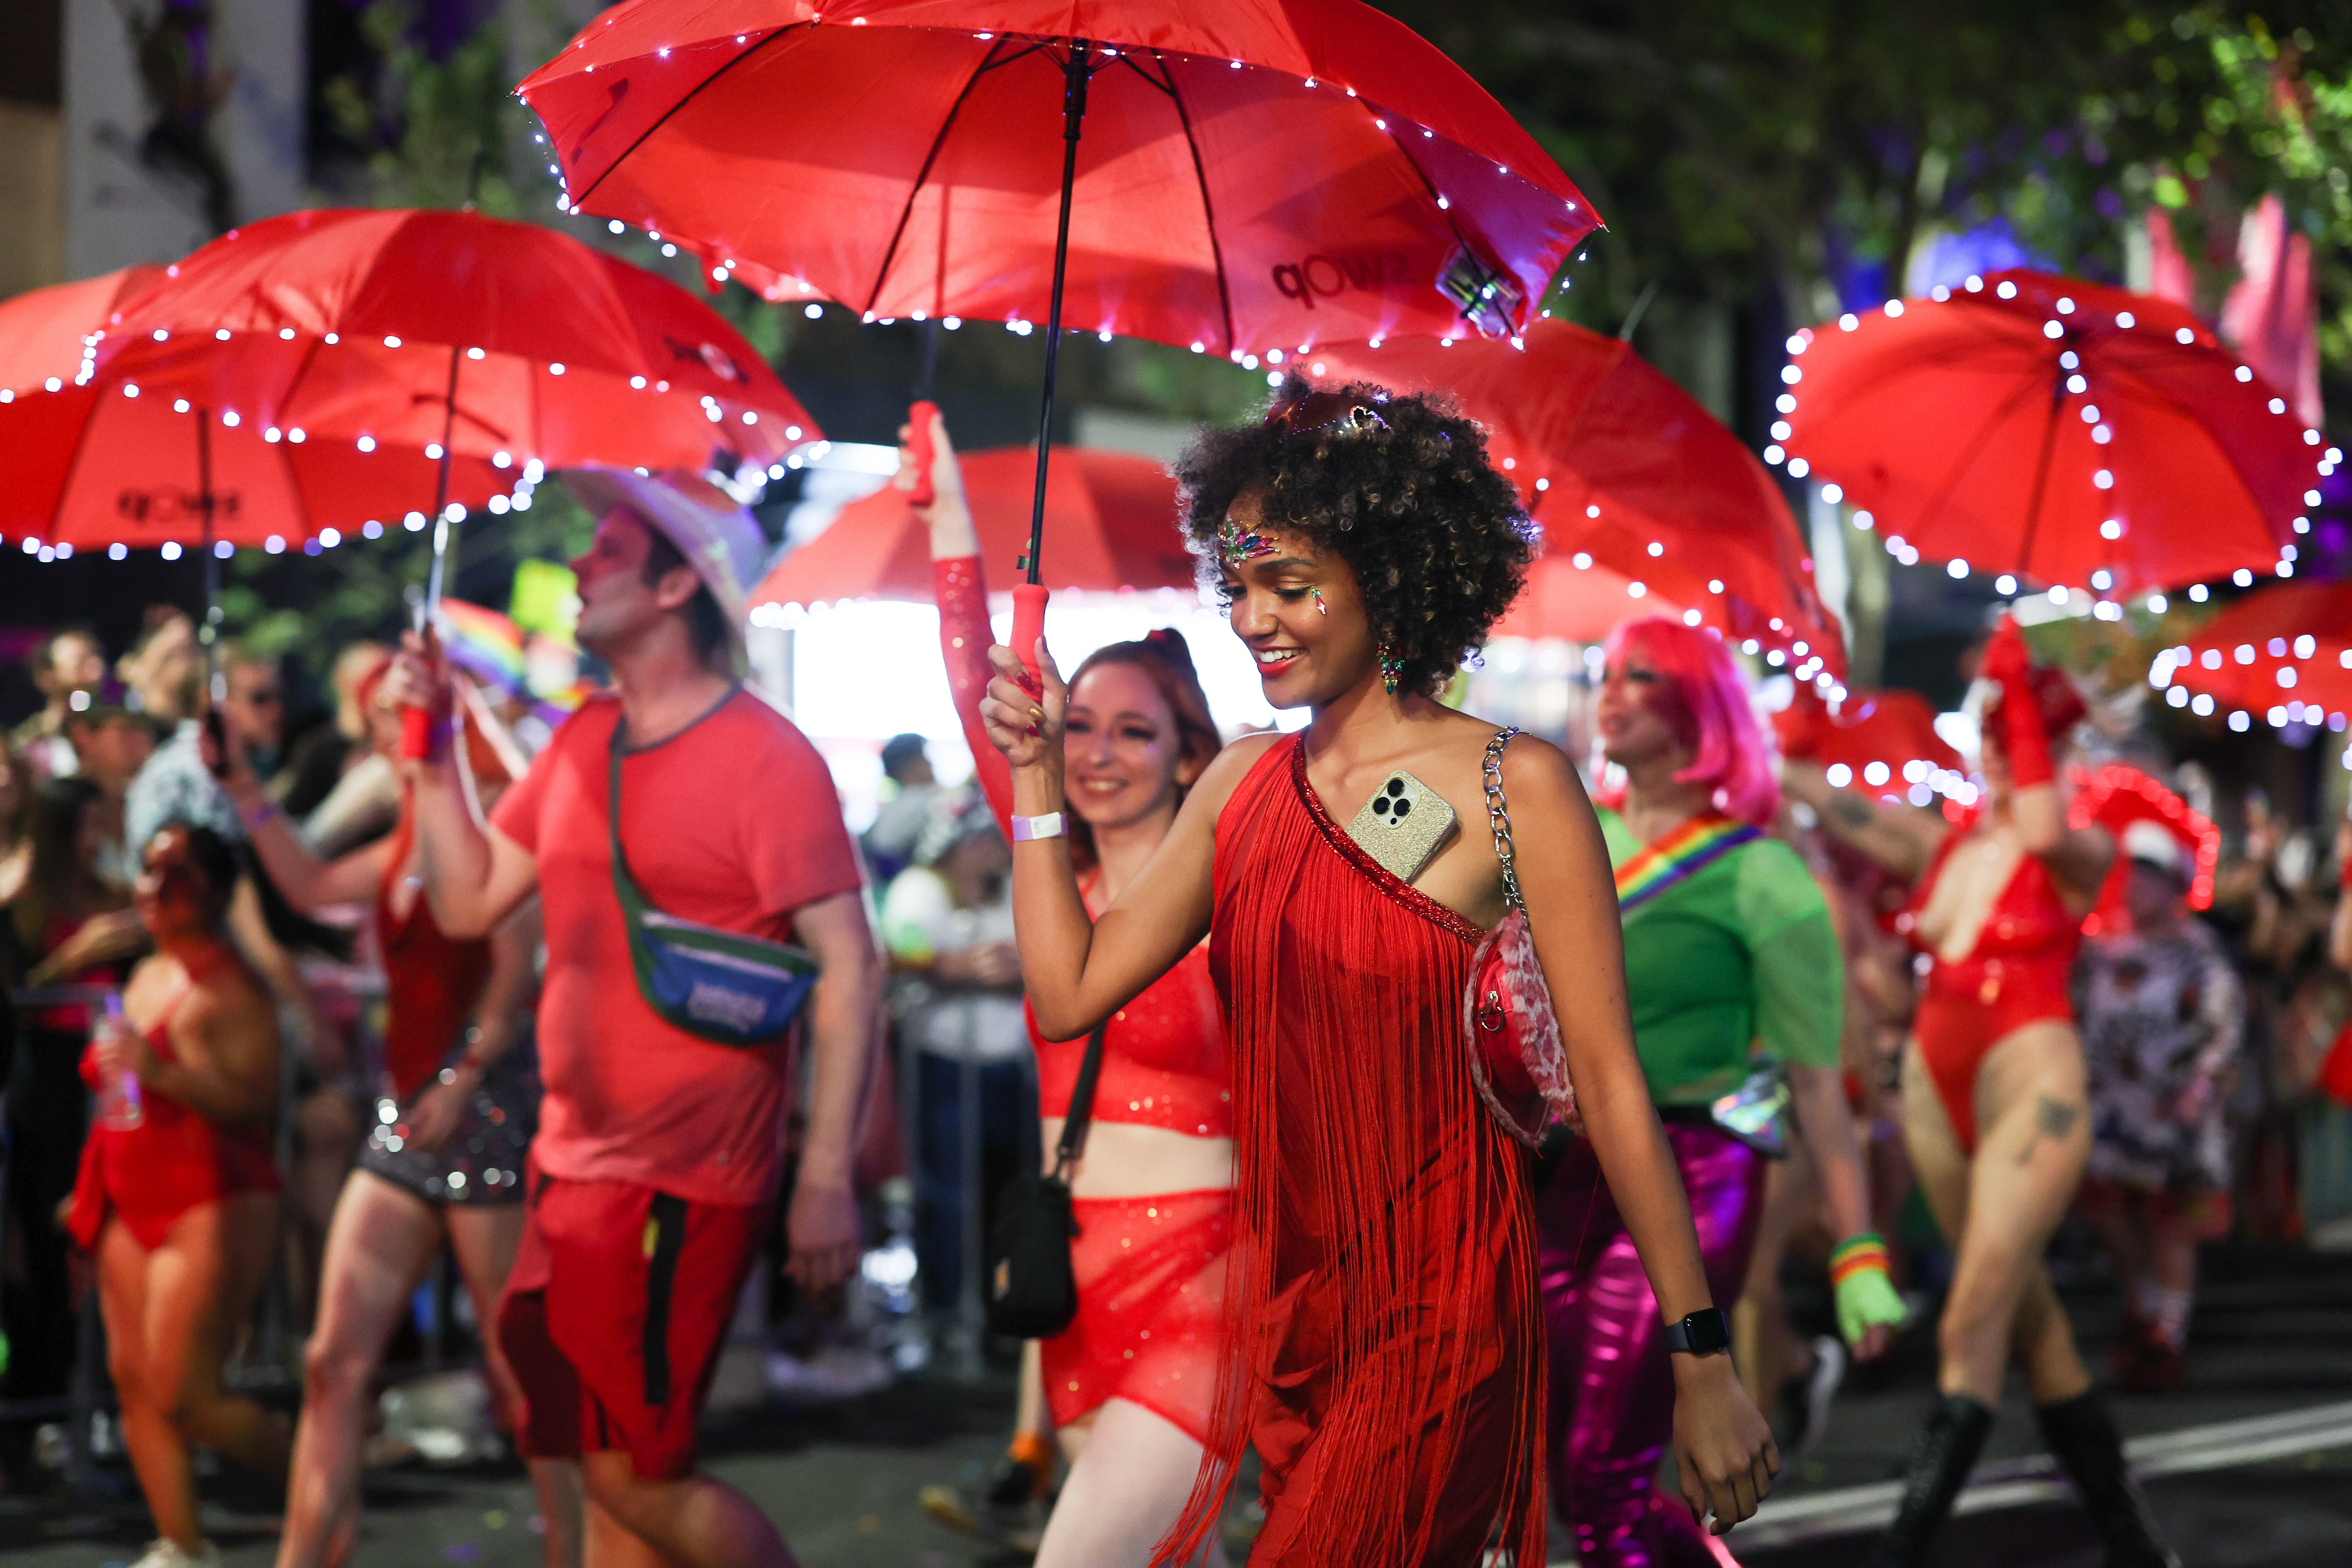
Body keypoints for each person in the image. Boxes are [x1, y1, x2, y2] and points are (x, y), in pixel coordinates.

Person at [978, 380, 1775, 1567]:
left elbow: (1610, 1087)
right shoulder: (1239, 786)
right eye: (1238, 586)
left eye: (1288, 586)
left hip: (1448, 1310)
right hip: (1296, 1313)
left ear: (1391, 581)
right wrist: (1035, 785)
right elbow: (1067, 993)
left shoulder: (1515, 787)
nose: (1253, 618)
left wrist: (1699, 1353)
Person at [383, 464, 881, 1568]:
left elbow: (850, 967)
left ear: (671, 589)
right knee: (598, 1476)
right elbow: (467, 899)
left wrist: (826, 1173)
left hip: (684, 1185)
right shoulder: (577, 741)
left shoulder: (769, 758)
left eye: (606, 550)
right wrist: (427, 747)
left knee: (638, 1475)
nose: (577, 564)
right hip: (571, 1172)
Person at [906, 412, 1235, 1568]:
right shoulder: (1052, 870)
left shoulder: (1232, 902)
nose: (1094, 751)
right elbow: (969, 672)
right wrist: (946, 508)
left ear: (1186, 755)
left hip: (1208, 1278)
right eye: (1076, 723)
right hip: (1072, 1276)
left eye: (1131, 731)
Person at [1781, 616, 2174, 1568]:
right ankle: (2132, 1542)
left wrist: (2020, 697)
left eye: (2014, 740)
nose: (1997, 756)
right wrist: (1773, 748)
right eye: (1992, 738)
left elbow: (2040, 821)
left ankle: (1901, 1551)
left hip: (2029, 1080)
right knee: (2027, 1323)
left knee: (1968, 1320)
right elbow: (1838, 808)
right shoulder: (1944, 846)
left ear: (2055, 744)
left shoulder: (2077, 851)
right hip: (1934, 1087)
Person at [1544, 615, 1906, 1567]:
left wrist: (1857, 1249)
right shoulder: (1565, 830)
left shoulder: (1763, 872)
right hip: (1559, 1182)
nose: (1613, 692)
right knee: (1568, 1478)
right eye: (1609, 674)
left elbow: (1818, 1085)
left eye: (1645, 677)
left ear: (1700, 708)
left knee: (1605, 1486)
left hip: (1695, 1173)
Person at [227, 667, 568, 1567]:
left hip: (483, 1104)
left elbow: (513, 967)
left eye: (396, 714)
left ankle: (577, 1551)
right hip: (410, 1109)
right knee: (333, 1359)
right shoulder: (407, 829)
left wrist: (462, 1076)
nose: (382, 733)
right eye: (376, 717)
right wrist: (244, 789)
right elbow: (307, 887)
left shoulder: (489, 815)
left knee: (513, 1366)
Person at [65, 822, 292, 1568]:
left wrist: (161, 1075)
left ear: (217, 890)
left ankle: (318, 1475)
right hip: (134, 1191)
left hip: (212, 1195)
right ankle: (182, 1545)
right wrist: (86, 1191)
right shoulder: (145, 973)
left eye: (178, 874)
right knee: (133, 1380)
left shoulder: (233, 985)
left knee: (185, 1392)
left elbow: (257, 1102)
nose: (155, 889)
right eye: (149, 871)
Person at [2075, 822, 2243, 1394]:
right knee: (2112, 1215)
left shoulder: (2199, 955)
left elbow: (2221, 1029)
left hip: (2177, 1115)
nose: (2136, 887)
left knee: (2172, 1222)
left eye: (2149, 877)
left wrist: (2197, 1092)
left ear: (2173, 884)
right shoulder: (2105, 954)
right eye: (2132, 876)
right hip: (2116, 1114)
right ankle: (2142, 1305)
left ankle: (2167, 1330)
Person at [0, 777, 143, 1438]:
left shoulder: (118, 897)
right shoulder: (25, 903)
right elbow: (16, 993)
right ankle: (54, 1396)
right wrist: (75, 957)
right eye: (78, 828)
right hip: (52, 1075)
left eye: (98, 825)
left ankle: (117, 1394)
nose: (90, 841)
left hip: (117, 1077)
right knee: (55, 1231)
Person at [879, 789, 1033, 1332]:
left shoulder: (1014, 885)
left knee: (1004, 1191)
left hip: (1009, 1068)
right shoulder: (920, 888)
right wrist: (950, 964)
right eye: (988, 838)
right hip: (944, 1064)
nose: (998, 849)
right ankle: (947, 1312)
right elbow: (903, 944)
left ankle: (996, 1313)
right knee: (948, 1194)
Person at [12, 627, 109, 782]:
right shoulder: (30, 743)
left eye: (97, 657)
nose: (97, 669)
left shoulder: (125, 728)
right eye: (81, 662)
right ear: (47, 676)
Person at [865, 732, 943, 884]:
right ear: (907, 766)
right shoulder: (922, 801)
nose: (931, 763)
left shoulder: (890, 809)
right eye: (923, 758)